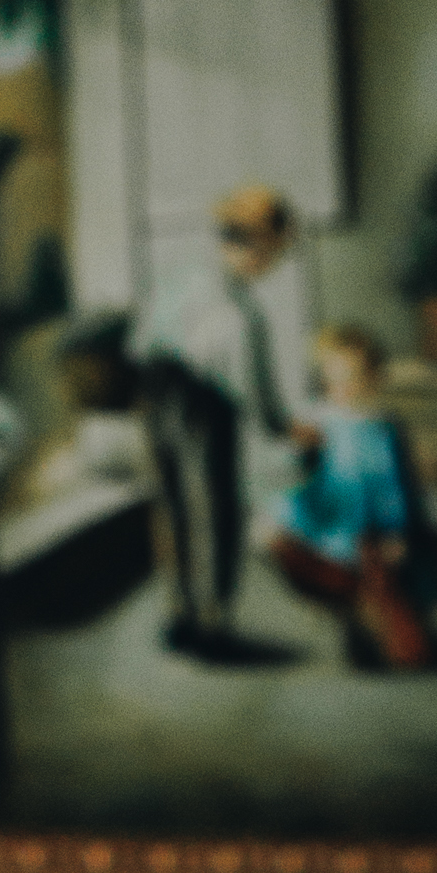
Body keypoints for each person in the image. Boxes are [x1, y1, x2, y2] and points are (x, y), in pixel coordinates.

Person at [135, 182, 309, 661]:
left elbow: (141, 339)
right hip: (203, 404)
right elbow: (257, 387)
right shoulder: (240, 309)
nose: (272, 265)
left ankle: (181, 616)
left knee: (173, 507)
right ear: (257, 243)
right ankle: (212, 621)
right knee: (217, 511)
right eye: (274, 253)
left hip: (153, 394)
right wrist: (283, 427)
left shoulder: (181, 276)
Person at [263, 322, 433, 668]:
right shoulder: (315, 418)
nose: (344, 387)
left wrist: (395, 531)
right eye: (335, 377)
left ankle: (379, 621)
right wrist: (296, 452)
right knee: (276, 541)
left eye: (355, 376)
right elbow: (289, 474)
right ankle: (357, 607)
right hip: (325, 527)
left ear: (374, 377)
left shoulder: (381, 427)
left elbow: (393, 487)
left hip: (370, 532)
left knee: (410, 650)